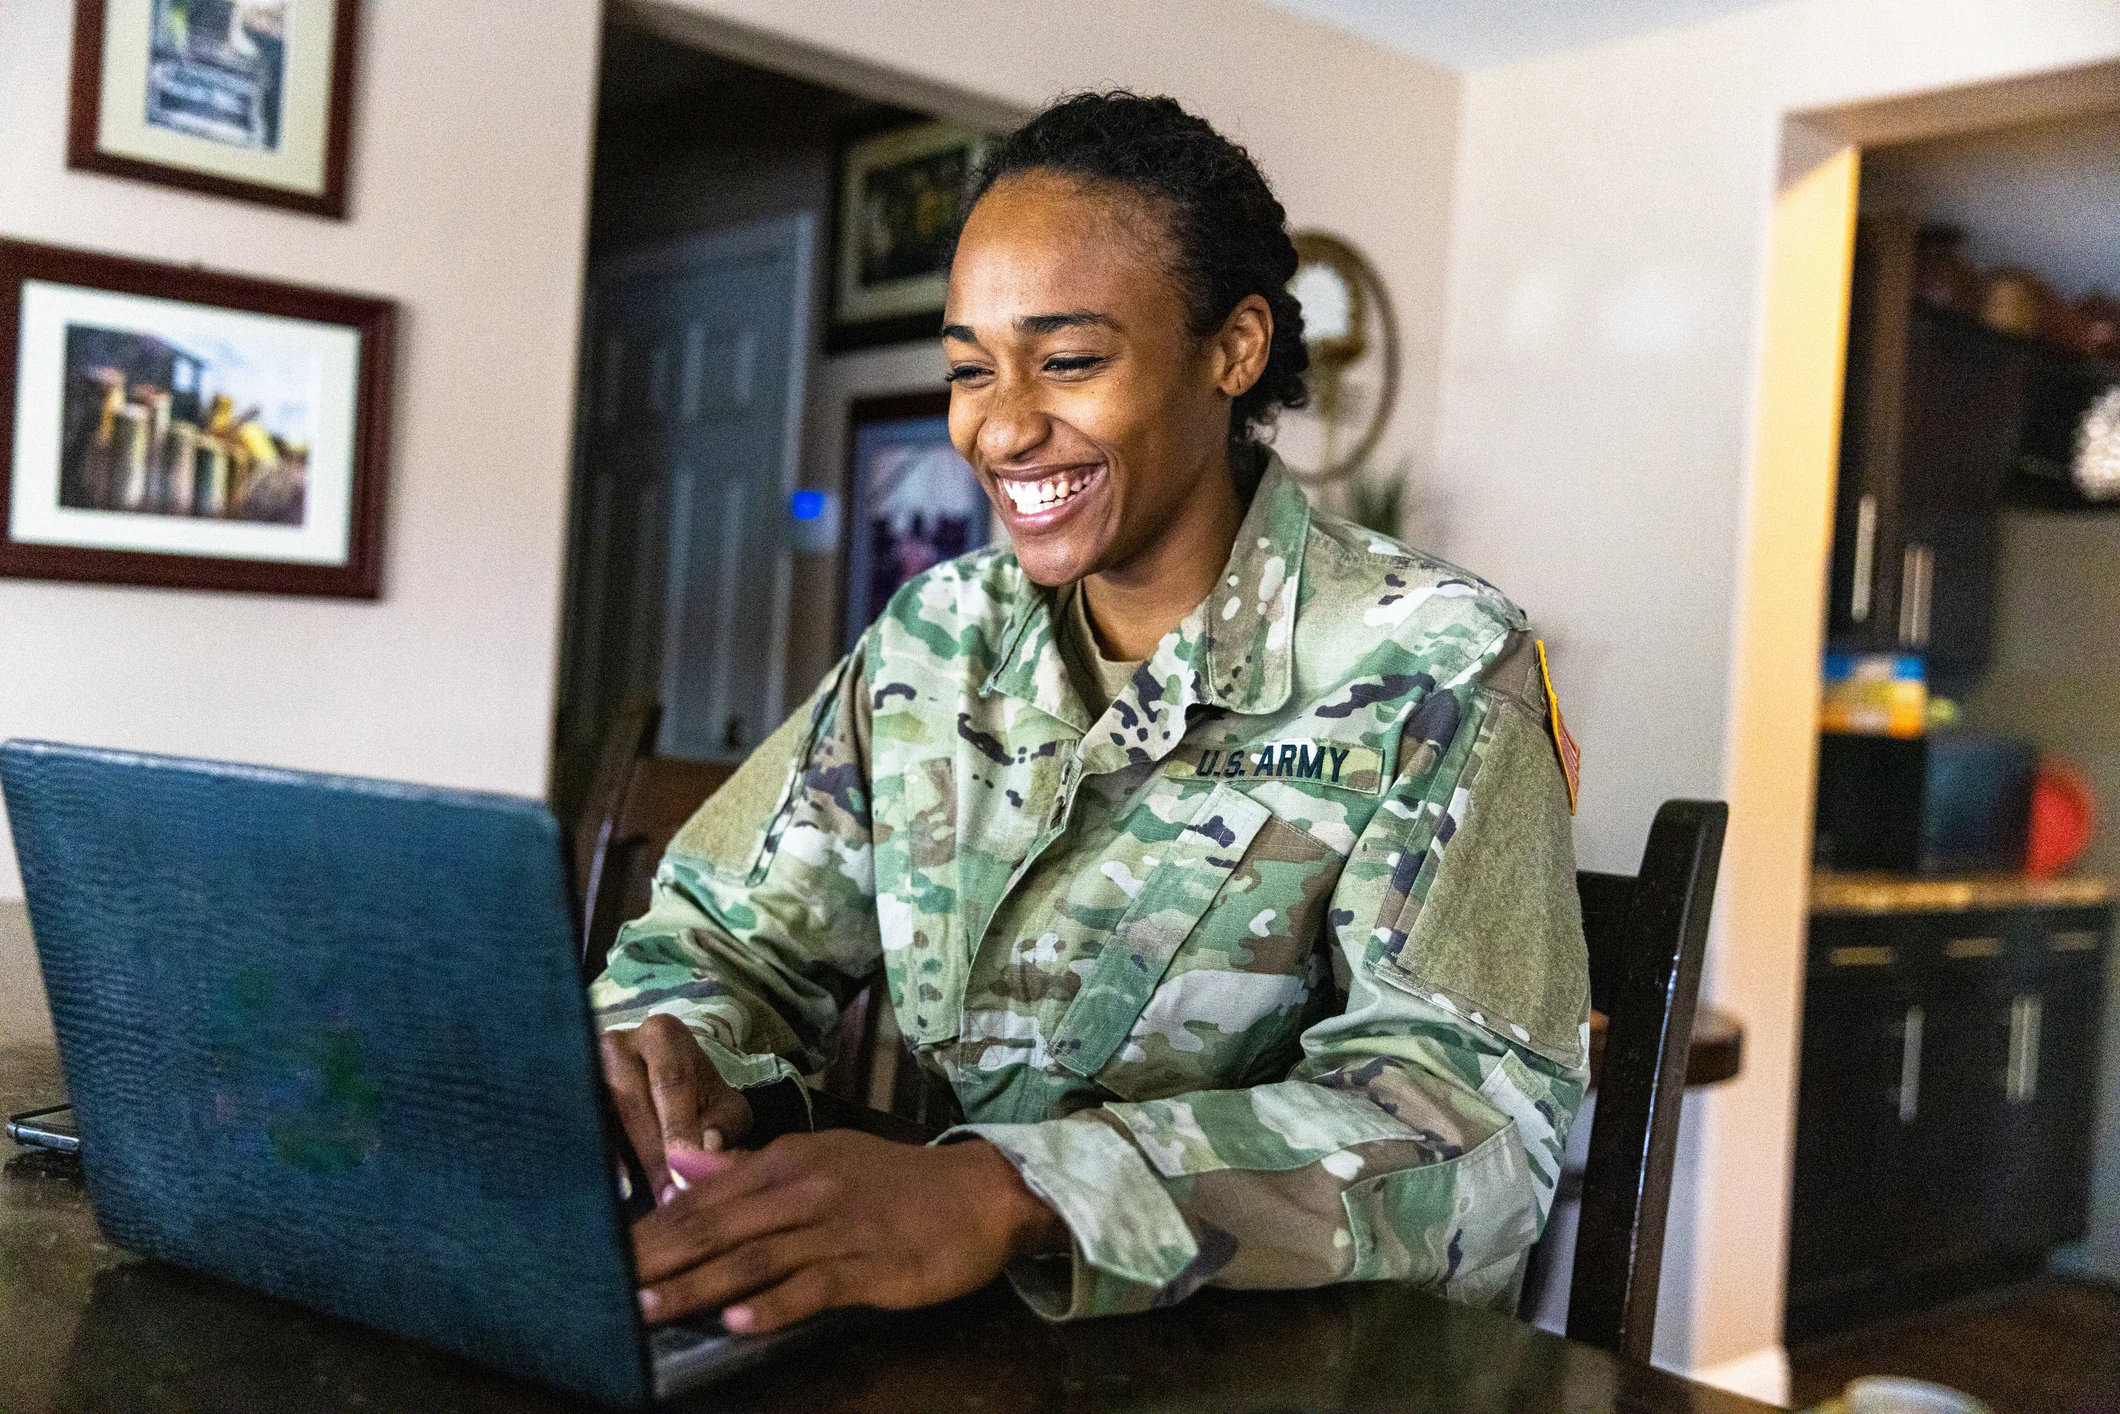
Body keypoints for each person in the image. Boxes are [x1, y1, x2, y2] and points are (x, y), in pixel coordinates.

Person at [592, 91, 1590, 1338]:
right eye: (967, 368)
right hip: (971, 1343)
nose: (1000, 427)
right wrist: (665, 1050)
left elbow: (1468, 1131)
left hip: (1281, 1364)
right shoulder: (936, 638)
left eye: (1067, 360)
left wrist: (1016, 1189)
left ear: (1231, 348)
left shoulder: (1436, 661)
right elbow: (725, 944)